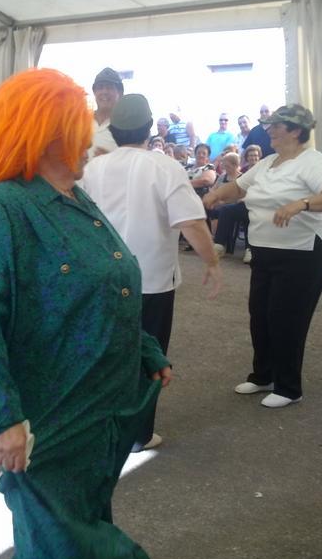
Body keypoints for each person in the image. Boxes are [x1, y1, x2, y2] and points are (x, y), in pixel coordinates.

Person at [0, 68, 171, 559]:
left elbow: (104, 285)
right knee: (60, 552)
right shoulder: (2, 209)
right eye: (80, 129)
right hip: (51, 411)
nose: (91, 140)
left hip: (99, 406)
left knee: (71, 532)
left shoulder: (76, 196)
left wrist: (145, 349)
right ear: (47, 135)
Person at [82, 93, 221, 453]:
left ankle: (101, 424)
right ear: (148, 128)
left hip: (102, 277)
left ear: (113, 130)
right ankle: (138, 434)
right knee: (148, 356)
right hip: (152, 279)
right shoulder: (164, 167)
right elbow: (191, 222)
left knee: (105, 351)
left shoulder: (94, 168)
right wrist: (211, 261)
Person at [203, 104, 322, 407]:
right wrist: (215, 194)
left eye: (276, 126)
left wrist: (301, 204)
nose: (269, 130)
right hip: (265, 250)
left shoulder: (313, 161)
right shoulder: (268, 162)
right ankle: (263, 375)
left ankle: (289, 387)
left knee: (287, 318)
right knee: (260, 314)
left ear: (295, 131)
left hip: (304, 251)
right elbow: (238, 189)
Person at [89, 67, 123, 158]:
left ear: (120, 93)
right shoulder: (82, 121)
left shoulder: (127, 127)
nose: (104, 92)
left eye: (110, 87)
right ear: (94, 92)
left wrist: (109, 160)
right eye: (100, 87)